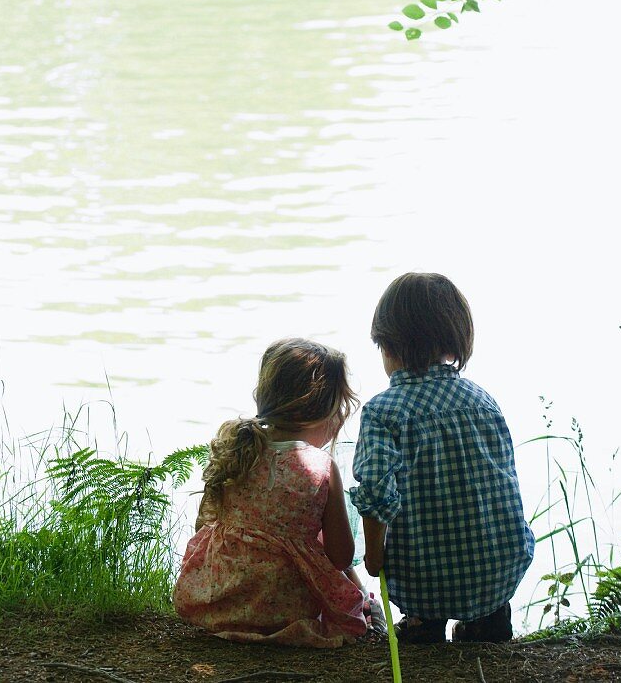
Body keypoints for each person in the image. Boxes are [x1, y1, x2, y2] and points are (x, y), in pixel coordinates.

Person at [350, 272, 535, 644]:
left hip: (424, 582)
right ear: (455, 340)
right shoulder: (483, 401)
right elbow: (504, 483)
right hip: (498, 571)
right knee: (482, 591)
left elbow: (375, 495)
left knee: (425, 580)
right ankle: (487, 621)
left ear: (387, 345)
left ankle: (423, 624)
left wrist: (373, 557)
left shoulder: (382, 412)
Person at [174, 338, 368, 647]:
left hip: (217, 602)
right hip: (284, 614)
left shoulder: (236, 449)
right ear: (323, 411)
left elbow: (205, 524)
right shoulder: (319, 467)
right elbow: (341, 555)